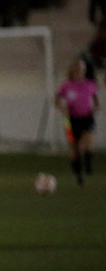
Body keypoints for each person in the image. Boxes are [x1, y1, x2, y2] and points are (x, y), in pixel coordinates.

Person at [55, 58, 99, 186]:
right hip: (70, 120)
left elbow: (96, 101)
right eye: (79, 68)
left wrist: (95, 108)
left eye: (83, 68)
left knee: (88, 143)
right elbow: (57, 101)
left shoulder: (90, 84)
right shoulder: (66, 86)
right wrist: (63, 108)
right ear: (73, 69)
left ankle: (88, 164)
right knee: (74, 148)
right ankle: (79, 174)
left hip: (87, 118)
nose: (81, 71)